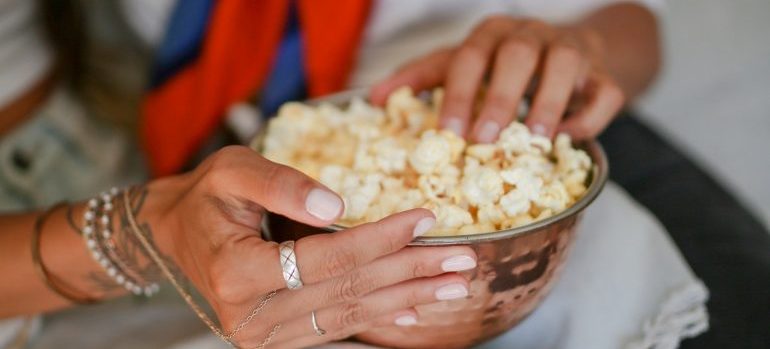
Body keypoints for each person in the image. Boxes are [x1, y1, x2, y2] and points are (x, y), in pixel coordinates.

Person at [8, 0, 745, 348]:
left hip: (485, 109)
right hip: (118, 200)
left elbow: (633, 28)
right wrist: (139, 233)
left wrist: (577, 47)